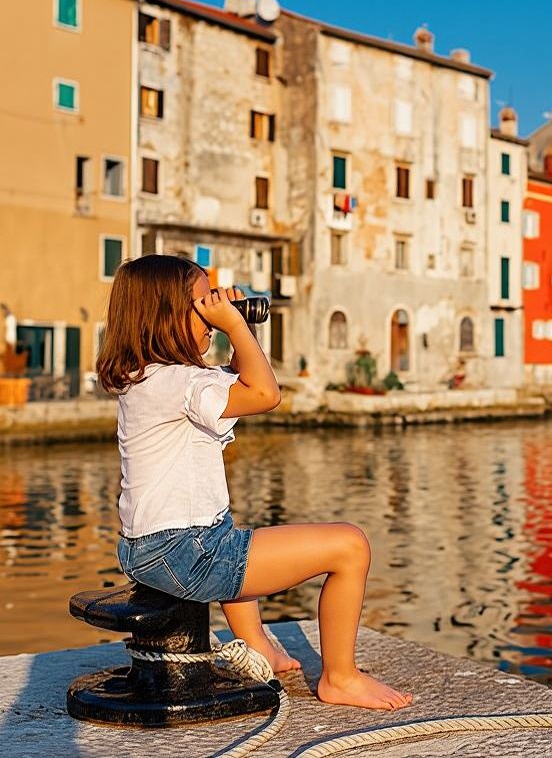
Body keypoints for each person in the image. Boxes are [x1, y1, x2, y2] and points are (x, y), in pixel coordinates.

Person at [94, 254, 412, 710]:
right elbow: (264, 393)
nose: (212, 315)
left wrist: (240, 331)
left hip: (145, 548)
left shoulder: (146, 377)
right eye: (202, 305)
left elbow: (236, 380)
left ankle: (256, 643)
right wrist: (236, 329)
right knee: (350, 546)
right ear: (166, 316)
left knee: (225, 526)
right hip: (184, 555)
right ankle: (340, 678)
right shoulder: (181, 383)